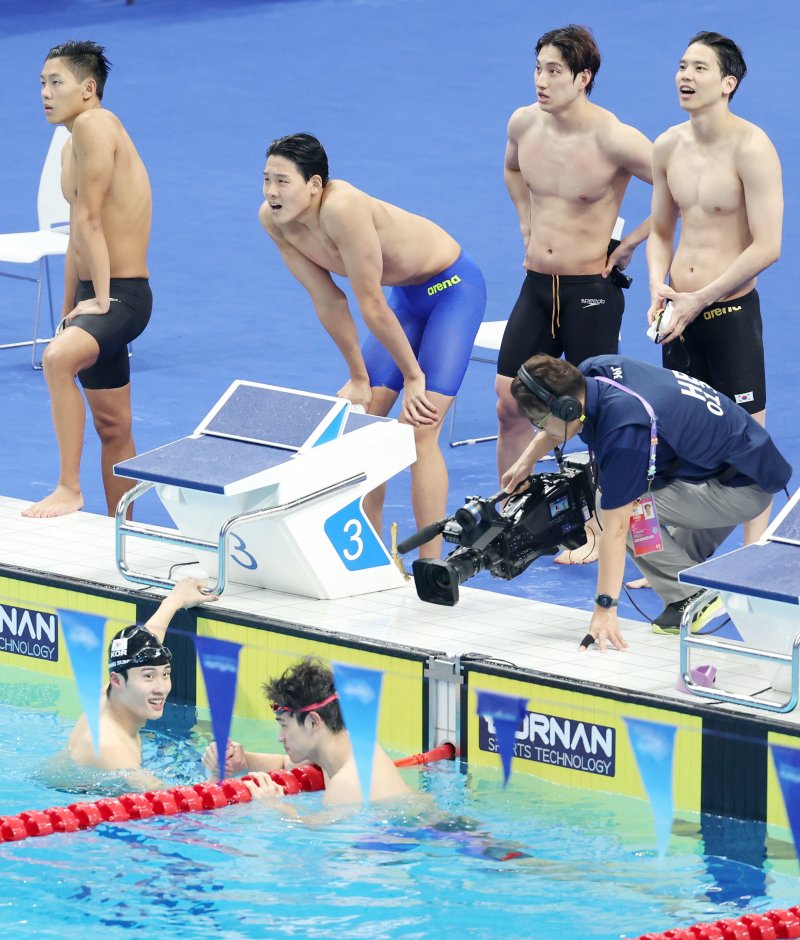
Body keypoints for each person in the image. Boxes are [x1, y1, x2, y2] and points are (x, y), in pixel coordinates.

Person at [260, 133, 486, 557]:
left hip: (453, 291)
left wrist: (415, 377)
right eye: (267, 179)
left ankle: (431, 565)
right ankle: (369, 556)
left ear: (315, 185)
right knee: (365, 426)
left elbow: (371, 302)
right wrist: (357, 377)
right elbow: (328, 299)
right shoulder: (274, 221)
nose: (272, 192)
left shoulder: (343, 208)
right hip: (404, 301)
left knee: (420, 429)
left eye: (283, 181)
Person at [501, 354, 791, 649]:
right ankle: (679, 570)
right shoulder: (593, 372)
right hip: (734, 466)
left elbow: (616, 528)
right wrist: (527, 461)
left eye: (539, 421)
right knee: (628, 492)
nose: (540, 430)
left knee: (615, 504)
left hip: (740, 492)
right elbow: (563, 423)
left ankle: (691, 592)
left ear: (568, 408)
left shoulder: (625, 429)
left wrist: (604, 609)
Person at [497, 24, 653, 564]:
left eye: (554, 72)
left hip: (591, 289)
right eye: (538, 69)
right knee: (508, 402)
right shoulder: (523, 122)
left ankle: (590, 526)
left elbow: (683, 188)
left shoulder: (614, 138)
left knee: (590, 414)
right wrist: (524, 222)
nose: (541, 81)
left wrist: (632, 241)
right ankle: (509, 521)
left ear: (583, 78)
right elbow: (512, 168)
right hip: (538, 286)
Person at [647, 31, 783, 545]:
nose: (685, 76)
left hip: (727, 313)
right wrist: (659, 287)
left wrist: (699, 298)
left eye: (700, 68)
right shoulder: (667, 146)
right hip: (678, 313)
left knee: (748, 439)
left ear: (728, 83)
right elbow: (661, 230)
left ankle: (753, 555)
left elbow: (768, 246)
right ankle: (676, 553)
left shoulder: (752, 148)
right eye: (682, 66)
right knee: (677, 434)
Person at [24, 40, 153, 519]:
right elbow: (77, 233)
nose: (45, 93)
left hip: (123, 295)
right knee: (113, 425)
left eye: (56, 82)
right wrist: (68, 311)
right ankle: (126, 529)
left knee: (58, 361)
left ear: (88, 87)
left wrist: (99, 300)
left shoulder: (97, 125)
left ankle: (68, 487)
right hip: (94, 295)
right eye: (41, 83)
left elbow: (95, 220)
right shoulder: (70, 142)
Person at [65, 578, 217, 787]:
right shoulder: (111, 748)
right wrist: (217, 778)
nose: (161, 688)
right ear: (117, 681)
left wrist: (175, 599)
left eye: (165, 674)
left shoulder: (108, 695)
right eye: (148, 676)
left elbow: (148, 642)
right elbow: (171, 803)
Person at [204, 657, 409, 806]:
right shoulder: (342, 747)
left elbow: (323, 842)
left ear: (313, 722)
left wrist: (275, 806)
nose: (279, 736)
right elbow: (284, 763)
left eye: (284, 725)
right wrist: (242, 760)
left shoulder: (347, 784)